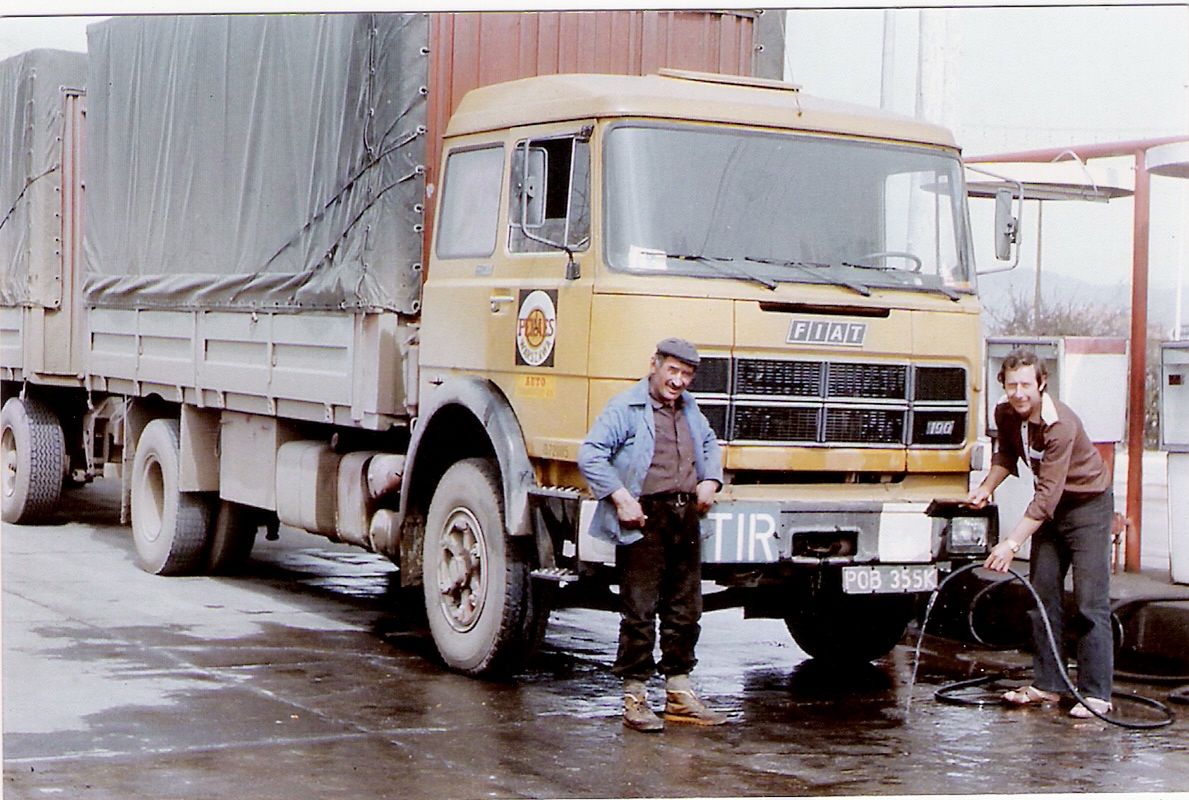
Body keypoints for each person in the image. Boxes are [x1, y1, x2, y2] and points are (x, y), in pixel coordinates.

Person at [578, 337, 727, 732]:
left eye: (686, 374)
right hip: (644, 517)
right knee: (639, 613)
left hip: (685, 517)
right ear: (655, 366)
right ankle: (635, 697)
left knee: (686, 609)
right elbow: (591, 453)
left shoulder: (691, 409)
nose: (678, 382)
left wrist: (711, 479)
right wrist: (620, 497)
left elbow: (710, 444)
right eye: (672, 371)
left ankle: (679, 694)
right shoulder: (626, 407)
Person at [966, 347, 1115, 719]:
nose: (1018, 393)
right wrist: (986, 488)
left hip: (1087, 507)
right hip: (1050, 509)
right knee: (1042, 593)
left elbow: (1047, 495)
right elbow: (1006, 456)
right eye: (1011, 384)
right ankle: (1049, 684)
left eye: (1025, 385)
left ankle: (1097, 694)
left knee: (1088, 602)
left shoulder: (1059, 424)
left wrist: (1011, 543)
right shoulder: (1005, 413)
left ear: (1042, 384)